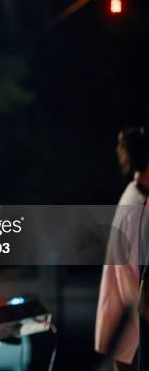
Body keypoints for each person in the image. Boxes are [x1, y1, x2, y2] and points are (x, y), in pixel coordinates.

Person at [96, 127, 149, 371]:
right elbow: (138, 287)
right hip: (134, 338)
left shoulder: (133, 195)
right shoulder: (139, 208)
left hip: (125, 334)